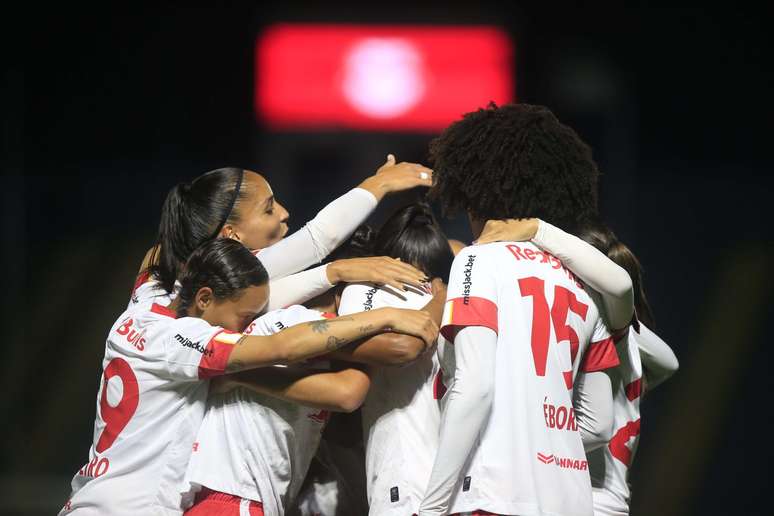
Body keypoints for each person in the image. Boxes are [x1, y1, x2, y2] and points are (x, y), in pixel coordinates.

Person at [60, 238, 438, 516]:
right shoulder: (225, 336)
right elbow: (346, 379)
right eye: (245, 315)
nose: (249, 325)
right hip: (181, 503)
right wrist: (395, 308)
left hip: (101, 496)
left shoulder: (143, 309)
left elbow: (158, 253)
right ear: (205, 298)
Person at [417, 103, 633, 516]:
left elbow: (475, 388)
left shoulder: (479, 260)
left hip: (497, 495)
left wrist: (431, 508)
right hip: (571, 498)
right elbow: (600, 424)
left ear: (473, 193)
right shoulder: (585, 284)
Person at [181, 228, 447, 516]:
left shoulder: (285, 328)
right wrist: (441, 297)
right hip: (233, 500)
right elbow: (355, 386)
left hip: (230, 498)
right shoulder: (289, 320)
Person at [133, 155, 433, 312]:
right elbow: (316, 239)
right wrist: (378, 185)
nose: (284, 212)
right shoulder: (212, 292)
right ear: (231, 235)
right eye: (268, 209)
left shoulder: (158, 264)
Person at [335, 203, 454, 516]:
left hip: (448, 483)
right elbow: (400, 349)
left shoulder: (458, 292)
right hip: (409, 480)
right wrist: (440, 298)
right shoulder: (365, 289)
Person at [577, 222, 678, 516]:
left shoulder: (597, 342)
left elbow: (596, 431)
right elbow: (670, 362)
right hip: (614, 504)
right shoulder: (629, 341)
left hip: (586, 501)